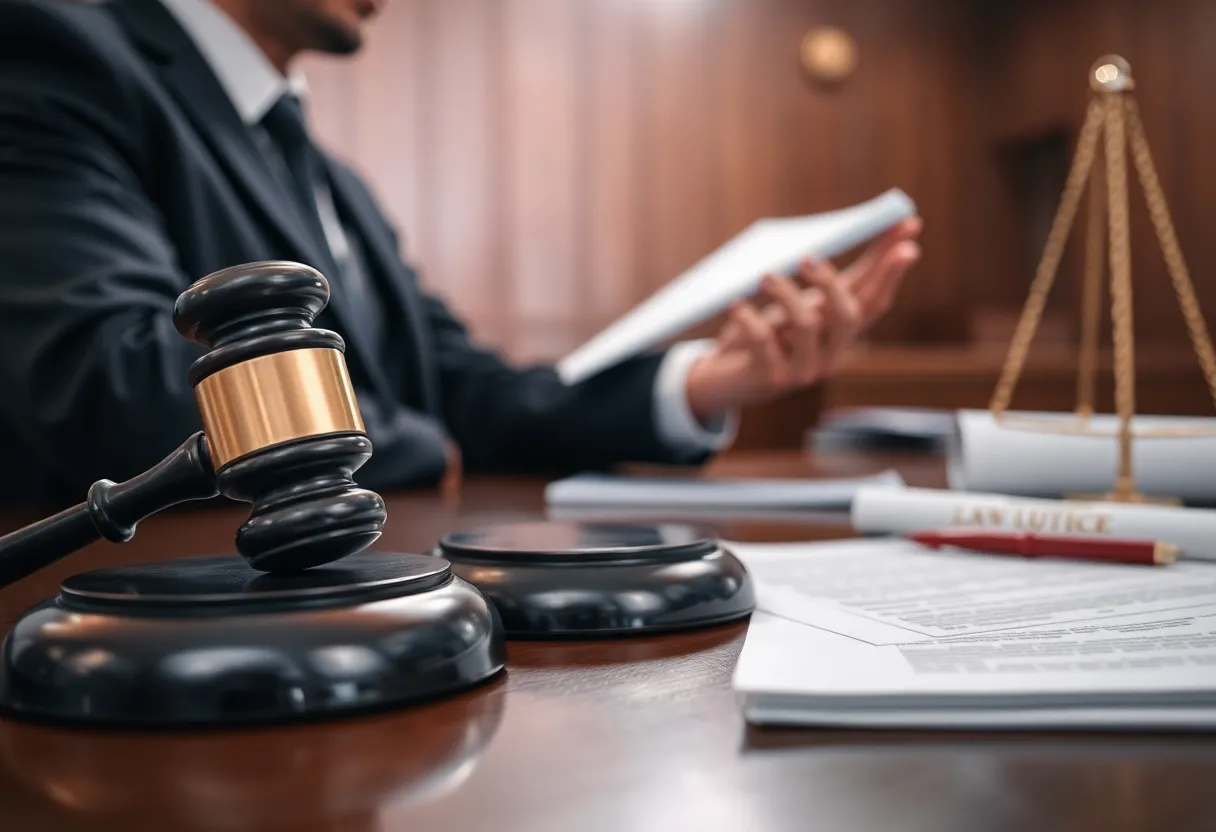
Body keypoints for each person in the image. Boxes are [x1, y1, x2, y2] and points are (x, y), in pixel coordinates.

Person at [0, 0, 922, 505]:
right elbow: (107, 381)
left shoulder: (331, 178)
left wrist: (703, 385)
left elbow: (461, 389)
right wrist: (411, 443)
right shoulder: (56, 52)